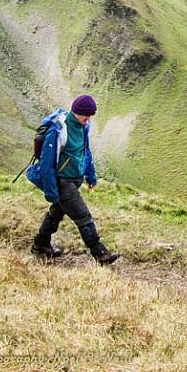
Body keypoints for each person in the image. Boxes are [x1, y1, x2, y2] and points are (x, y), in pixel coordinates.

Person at [27, 95, 118, 265]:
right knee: (84, 217)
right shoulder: (58, 130)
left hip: (75, 180)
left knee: (56, 213)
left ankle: (40, 244)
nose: (88, 119)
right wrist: (51, 191)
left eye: (90, 116)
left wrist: (91, 175)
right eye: (86, 116)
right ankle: (100, 253)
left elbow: (85, 151)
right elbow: (47, 163)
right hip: (63, 182)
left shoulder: (83, 127)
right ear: (77, 112)